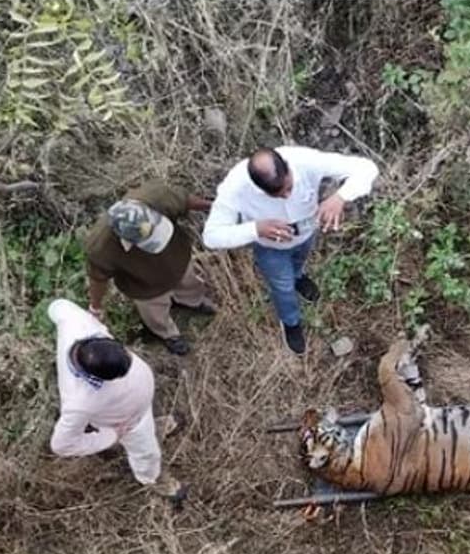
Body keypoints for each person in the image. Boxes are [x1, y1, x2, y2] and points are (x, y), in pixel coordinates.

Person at [202, 145, 380, 355]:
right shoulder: (235, 186)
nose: (287, 196)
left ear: (287, 166)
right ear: (257, 187)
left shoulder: (305, 160)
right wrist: (256, 229)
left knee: (298, 263)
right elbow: (211, 236)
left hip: (306, 233)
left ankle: (298, 277)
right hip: (271, 248)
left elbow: (367, 168)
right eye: (277, 194)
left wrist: (340, 197)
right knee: (283, 287)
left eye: (289, 187)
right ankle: (291, 323)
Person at [47, 298, 185, 503]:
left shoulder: (76, 323)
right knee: (146, 454)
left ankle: (154, 427)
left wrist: (94, 311)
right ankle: (152, 478)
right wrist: (110, 436)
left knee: (146, 424)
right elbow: (62, 445)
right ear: (99, 377)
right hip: (128, 423)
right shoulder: (79, 402)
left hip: (137, 406)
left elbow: (57, 306)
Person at [85, 181, 216, 356]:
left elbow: (184, 200)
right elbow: (98, 278)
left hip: (176, 257)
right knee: (154, 312)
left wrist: (212, 207)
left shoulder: (155, 196)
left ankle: (194, 301)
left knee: (189, 282)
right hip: (143, 283)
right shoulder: (100, 247)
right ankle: (169, 334)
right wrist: (95, 307)